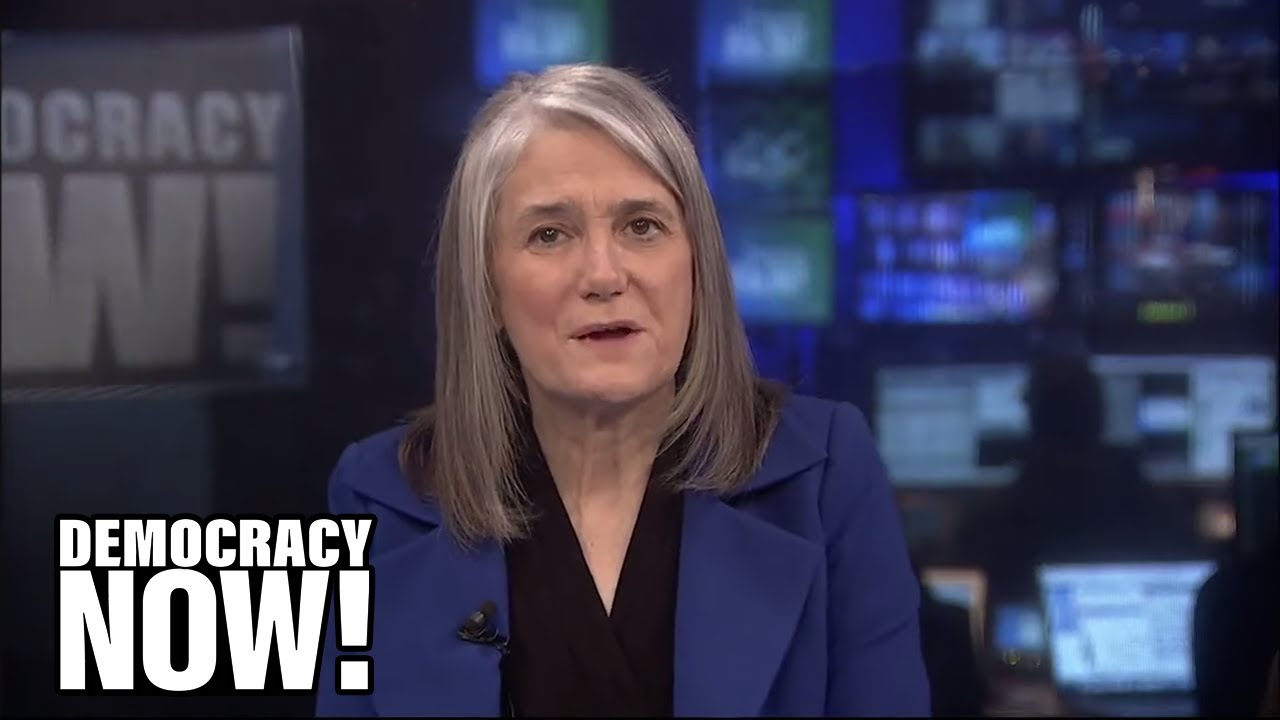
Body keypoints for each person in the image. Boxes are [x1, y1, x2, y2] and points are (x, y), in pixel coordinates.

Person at [314, 64, 929, 717]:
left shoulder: (824, 479)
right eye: (550, 234)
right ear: (486, 289)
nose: (604, 276)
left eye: (642, 226)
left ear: (697, 265)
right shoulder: (381, 500)